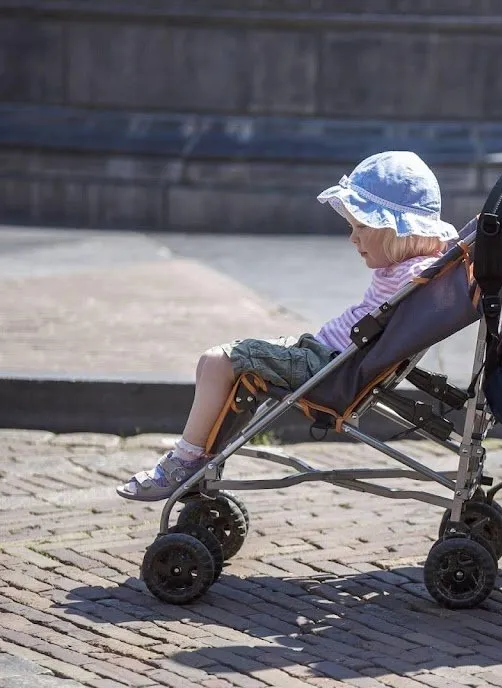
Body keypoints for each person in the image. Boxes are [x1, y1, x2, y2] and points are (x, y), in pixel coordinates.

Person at [117, 151, 458, 502]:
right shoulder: (417, 267)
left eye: (362, 227)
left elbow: (435, 264)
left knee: (217, 361)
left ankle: (184, 459)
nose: (353, 238)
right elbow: (444, 255)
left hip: (327, 369)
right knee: (213, 364)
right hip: (323, 356)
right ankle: (198, 456)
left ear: (398, 232)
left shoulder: (413, 273)